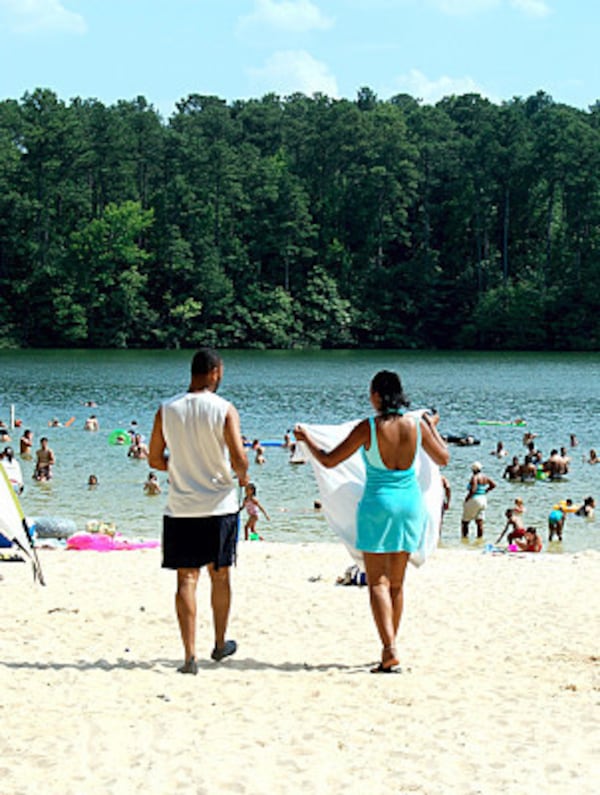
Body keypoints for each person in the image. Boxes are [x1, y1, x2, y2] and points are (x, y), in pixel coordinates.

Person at [294, 370, 449, 673]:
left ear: (378, 396)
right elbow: (443, 458)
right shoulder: (417, 425)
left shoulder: (369, 428)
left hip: (377, 505)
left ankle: (389, 648)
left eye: (371, 392)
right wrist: (432, 427)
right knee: (397, 583)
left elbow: (328, 460)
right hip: (409, 505)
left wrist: (307, 439)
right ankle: (391, 646)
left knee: (377, 581)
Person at [148, 348, 249, 675]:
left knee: (186, 579)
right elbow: (239, 458)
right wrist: (244, 481)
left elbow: (153, 459)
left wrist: (178, 468)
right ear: (215, 372)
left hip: (181, 507)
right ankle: (219, 644)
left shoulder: (167, 409)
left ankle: (189, 657)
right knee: (220, 576)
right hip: (219, 505)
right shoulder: (224, 409)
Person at [461, 461, 496, 539]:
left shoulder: (475, 477)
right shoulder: (485, 477)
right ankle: (480, 539)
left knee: (465, 522)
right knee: (479, 522)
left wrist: (467, 498)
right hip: (483, 499)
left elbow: (473, 489)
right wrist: (485, 491)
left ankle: (464, 538)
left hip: (475, 498)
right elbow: (493, 485)